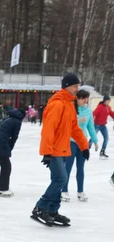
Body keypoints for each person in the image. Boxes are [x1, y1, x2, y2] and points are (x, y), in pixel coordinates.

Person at [31, 73, 89, 227]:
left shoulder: (69, 104)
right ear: (67, 86)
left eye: (78, 86)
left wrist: (84, 146)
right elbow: (48, 129)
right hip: (54, 151)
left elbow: (74, 129)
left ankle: (52, 211)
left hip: (63, 150)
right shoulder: (57, 104)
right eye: (75, 86)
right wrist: (47, 152)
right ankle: (40, 207)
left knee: (58, 180)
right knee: (61, 180)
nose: (78, 89)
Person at [62, 89, 98, 202]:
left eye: (86, 98)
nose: (85, 100)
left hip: (83, 143)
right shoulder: (71, 108)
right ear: (77, 98)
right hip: (71, 141)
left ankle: (80, 191)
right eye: (83, 98)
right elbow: (66, 123)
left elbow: (91, 127)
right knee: (67, 167)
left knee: (81, 168)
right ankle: (64, 190)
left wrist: (95, 140)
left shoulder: (88, 111)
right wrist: (78, 120)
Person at [0, 108, 24, 197]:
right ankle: (3, 188)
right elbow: (14, 137)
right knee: (6, 167)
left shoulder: (7, 119)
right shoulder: (17, 122)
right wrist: (10, 148)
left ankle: (2, 187)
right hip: (1, 145)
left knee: (5, 167)